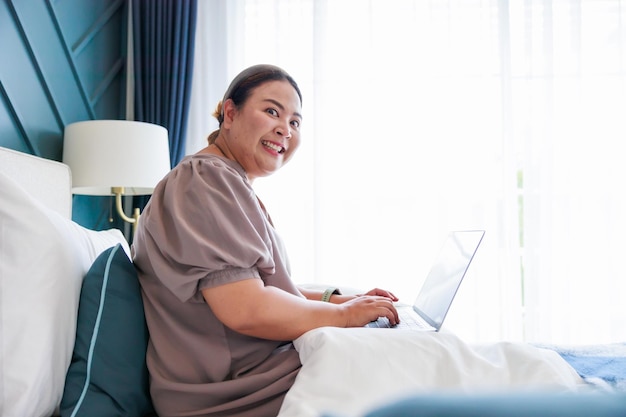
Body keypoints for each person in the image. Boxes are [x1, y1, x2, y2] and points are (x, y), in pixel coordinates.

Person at [131, 64, 399, 417]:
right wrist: (345, 316)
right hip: (231, 391)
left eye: (295, 122)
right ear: (230, 113)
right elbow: (246, 308)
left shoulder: (226, 182)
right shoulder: (204, 180)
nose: (284, 129)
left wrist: (338, 300)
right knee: (417, 363)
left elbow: (251, 286)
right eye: (272, 111)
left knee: (407, 352)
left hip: (251, 373)